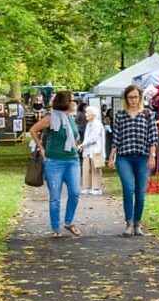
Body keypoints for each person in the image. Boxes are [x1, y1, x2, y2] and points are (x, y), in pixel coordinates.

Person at [29, 91, 82, 238]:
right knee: (55, 197)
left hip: (72, 160)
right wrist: (41, 148)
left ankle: (69, 222)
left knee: (75, 192)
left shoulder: (70, 118)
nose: (74, 103)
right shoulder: (50, 118)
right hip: (54, 162)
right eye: (72, 100)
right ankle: (55, 228)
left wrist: (76, 144)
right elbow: (32, 130)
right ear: (65, 102)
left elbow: (74, 137)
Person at [108, 85, 158, 237]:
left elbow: (153, 136)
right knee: (128, 189)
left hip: (143, 157)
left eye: (136, 97)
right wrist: (111, 157)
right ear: (126, 99)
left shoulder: (147, 114)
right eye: (130, 97)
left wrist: (152, 156)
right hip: (124, 157)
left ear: (140, 98)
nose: (133, 100)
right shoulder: (120, 115)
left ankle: (137, 224)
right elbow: (115, 137)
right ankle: (128, 223)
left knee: (140, 192)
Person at [80, 106, 105, 195]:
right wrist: (83, 145)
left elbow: (93, 138)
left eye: (87, 112)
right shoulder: (89, 124)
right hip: (87, 150)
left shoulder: (97, 124)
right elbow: (87, 137)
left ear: (93, 114)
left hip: (95, 150)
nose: (85, 114)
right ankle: (86, 187)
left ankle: (96, 188)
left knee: (95, 169)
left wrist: (83, 144)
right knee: (86, 169)